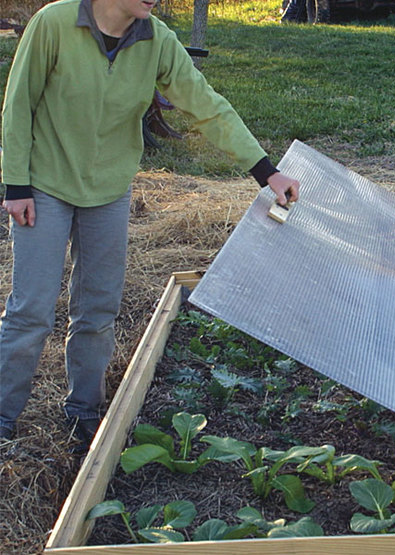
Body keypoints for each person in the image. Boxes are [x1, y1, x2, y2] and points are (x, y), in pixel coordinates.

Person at [0, 0, 300, 450]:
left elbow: (205, 105)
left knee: (98, 309)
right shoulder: (54, 24)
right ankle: (3, 416)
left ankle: (84, 413)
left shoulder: (156, 38)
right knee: (31, 313)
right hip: (44, 185)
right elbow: (18, 104)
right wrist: (16, 184)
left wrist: (266, 172)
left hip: (109, 189)